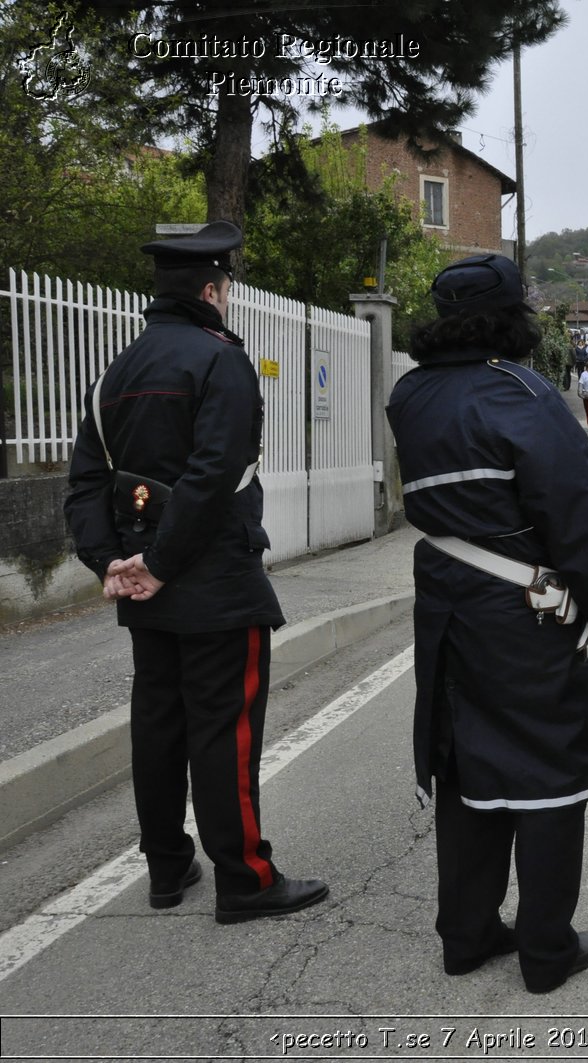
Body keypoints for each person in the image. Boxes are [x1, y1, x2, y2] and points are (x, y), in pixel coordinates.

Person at [386, 253, 588, 994]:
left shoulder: (410, 395)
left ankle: (466, 936)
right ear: (514, 318)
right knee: (548, 768)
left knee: (464, 761)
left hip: (444, 608)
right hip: (523, 610)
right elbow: (580, 524)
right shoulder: (525, 394)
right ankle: (545, 948)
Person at [63, 220, 327, 923]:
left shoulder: (111, 375)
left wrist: (112, 563)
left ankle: (167, 868)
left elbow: (85, 484)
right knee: (223, 730)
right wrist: (159, 561)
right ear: (212, 291)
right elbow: (214, 477)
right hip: (214, 585)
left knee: (158, 725)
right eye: (228, 290)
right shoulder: (221, 362)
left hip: (144, 589)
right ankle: (245, 877)